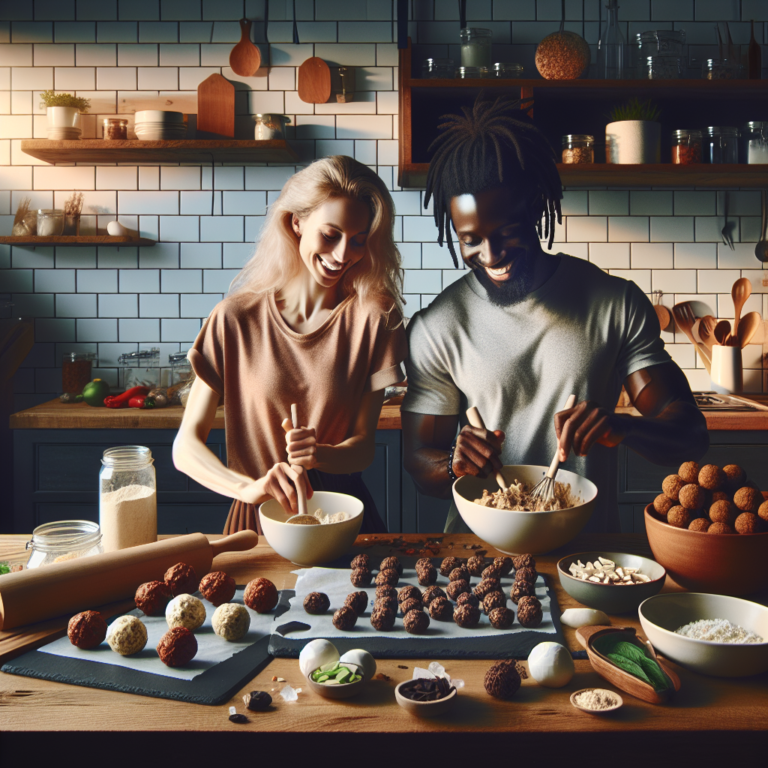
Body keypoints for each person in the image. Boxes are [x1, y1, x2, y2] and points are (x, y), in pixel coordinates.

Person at [401, 95, 709, 533]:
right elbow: (418, 463)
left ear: (537, 206)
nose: (491, 256)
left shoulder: (614, 304)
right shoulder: (437, 328)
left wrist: (621, 428)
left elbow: (690, 434)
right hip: (477, 560)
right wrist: (453, 464)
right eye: (471, 240)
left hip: (587, 561)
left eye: (507, 231)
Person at [173, 156, 406, 534]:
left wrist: (322, 455)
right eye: (331, 235)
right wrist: (249, 488)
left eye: (359, 241)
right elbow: (185, 448)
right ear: (296, 223)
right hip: (258, 524)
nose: (343, 255)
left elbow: (364, 446)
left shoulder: (374, 317)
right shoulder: (235, 318)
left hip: (343, 520)